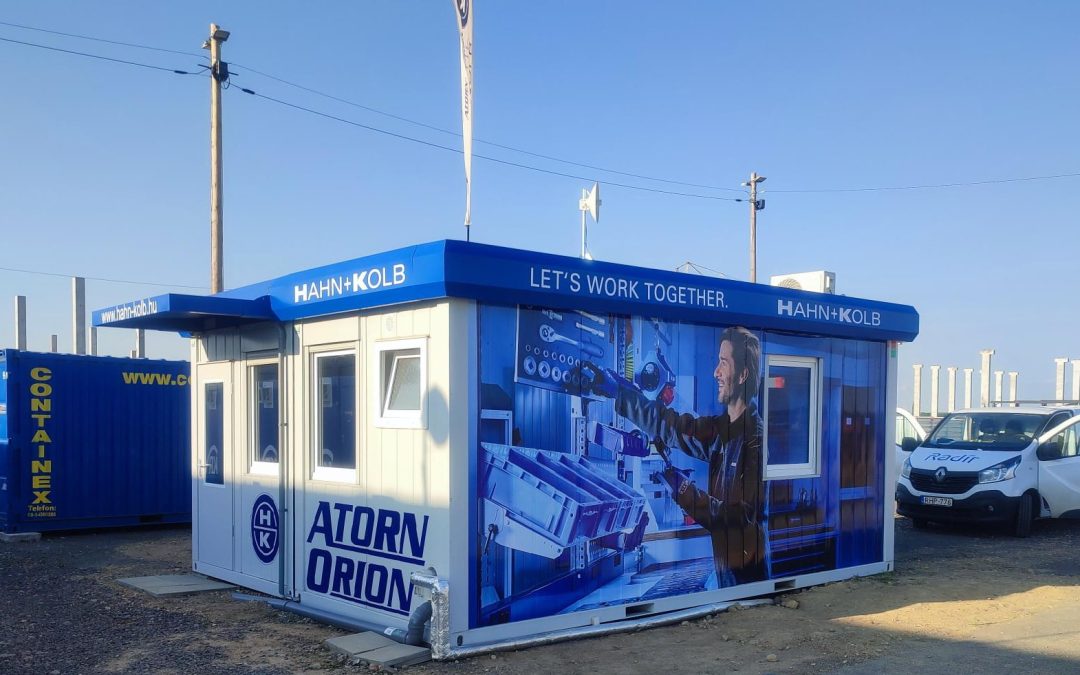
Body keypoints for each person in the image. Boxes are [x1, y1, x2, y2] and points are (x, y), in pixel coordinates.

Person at [580, 326, 766, 588]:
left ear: (743, 375)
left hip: (746, 582)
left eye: (723, 362)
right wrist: (620, 394)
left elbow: (738, 519)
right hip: (729, 574)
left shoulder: (754, 439)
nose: (715, 372)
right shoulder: (724, 430)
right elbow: (674, 426)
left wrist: (685, 491)